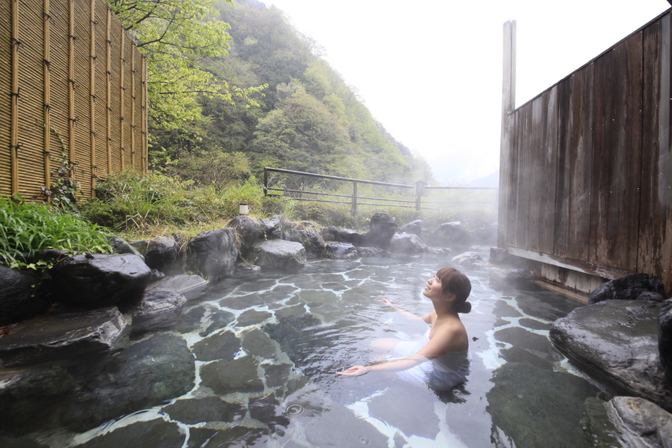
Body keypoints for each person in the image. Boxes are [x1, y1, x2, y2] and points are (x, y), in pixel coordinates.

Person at [337, 267, 472, 391]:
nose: (429, 280)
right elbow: (416, 320)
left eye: (437, 280)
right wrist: (392, 306)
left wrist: (367, 369)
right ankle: (417, 343)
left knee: (376, 360)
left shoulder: (450, 330)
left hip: (438, 375)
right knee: (376, 344)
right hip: (428, 356)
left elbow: (412, 361)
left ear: (449, 297)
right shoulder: (439, 314)